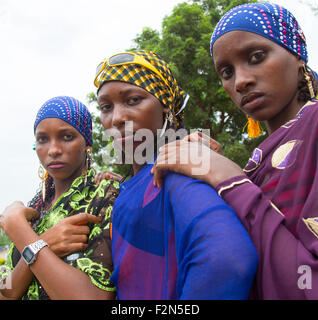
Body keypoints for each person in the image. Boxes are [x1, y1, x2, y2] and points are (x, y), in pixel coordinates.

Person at [151, 3, 318, 299]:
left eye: (256, 57)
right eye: (226, 72)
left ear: (297, 56)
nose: (240, 81)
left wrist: (227, 177)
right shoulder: (257, 164)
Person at [94, 49, 258, 299]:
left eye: (133, 100)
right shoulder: (131, 186)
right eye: (106, 106)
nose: (116, 118)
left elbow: (228, 260)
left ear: (167, 107)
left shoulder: (175, 174)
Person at [0, 96, 119, 300]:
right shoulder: (35, 210)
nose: (53, 150)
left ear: (87, 143)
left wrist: (18, 228)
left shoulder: (103, 196)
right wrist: (41, 243)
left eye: (67, 137)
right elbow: (3, 292)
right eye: (43, 139)